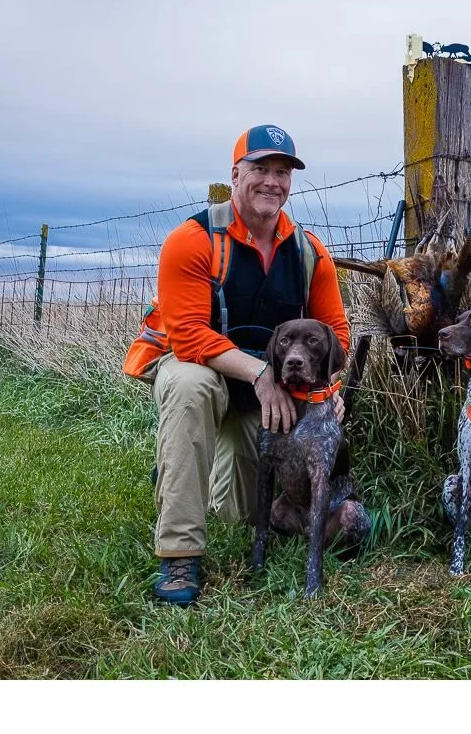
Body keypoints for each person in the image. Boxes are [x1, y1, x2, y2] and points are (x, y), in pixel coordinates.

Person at [136, 124, 368, 605]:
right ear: (235, 174)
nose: (271, 181)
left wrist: (329, 392)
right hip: (203, 370)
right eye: (259, 169)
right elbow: (187, 335)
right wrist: (262, 374)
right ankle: (180, 555)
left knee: (243, 512)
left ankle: (179, 470)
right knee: (189, 387)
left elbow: (336, 334)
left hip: (268, 395)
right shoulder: (194, 240)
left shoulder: (308, 252)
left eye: (282, 172)